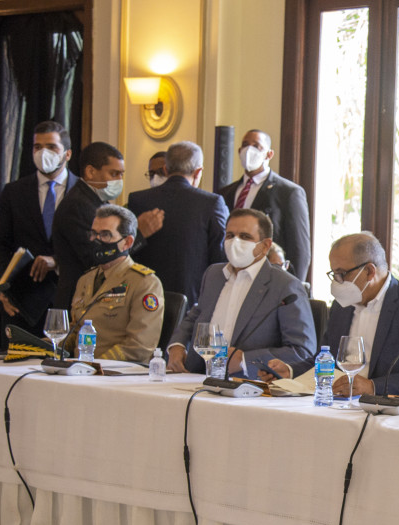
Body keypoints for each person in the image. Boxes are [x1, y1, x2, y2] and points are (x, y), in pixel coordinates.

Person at [268, 232, 399, 398]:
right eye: (334, 274)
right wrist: (291, 371)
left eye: (341, 274)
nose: (337, 282)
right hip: (339, 403)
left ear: (370, 271)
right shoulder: (342, 305)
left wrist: (373, 387)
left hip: (388, 410)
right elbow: (326, 358)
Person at [167, 208, 316, 377]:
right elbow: (196, 315)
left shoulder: (285, 286)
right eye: (230, 235)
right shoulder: (213, 274)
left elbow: (302, 351)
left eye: (245, 237)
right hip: (197, 375)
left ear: (265, 246)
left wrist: (245, 360)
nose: (235, 242)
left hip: (248, 383)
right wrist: (177, 344)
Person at [0, 121, 77, 334]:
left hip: (69, 302)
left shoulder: (84, 193)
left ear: (67, 154)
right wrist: (2, 289)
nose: (43, 153)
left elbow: (91, 249)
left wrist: (57, 261)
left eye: (51, 147)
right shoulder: (13, 192)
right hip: (20, 302)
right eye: (37, 147)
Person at [126, 141, 228, 306]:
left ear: (166, 169)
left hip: (145, 297)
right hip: (192, 299)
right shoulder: (211, 203)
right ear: (198, 172)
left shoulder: (138, 200)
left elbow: (126, 251)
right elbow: (219, 256)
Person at [63, 205, 163, 363]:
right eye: (94, 234)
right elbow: (75, 332)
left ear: (127, 242)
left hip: (116, 372)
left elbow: (139, 346)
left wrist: (95, 366)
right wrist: (42, 347)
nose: (96, 240)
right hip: (80, 370)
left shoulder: (145, 283)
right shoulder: (86, 279)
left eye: (105, 235)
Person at [216, 130, 310, 282]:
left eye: (256, 146)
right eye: (245, 145)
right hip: (231, 277)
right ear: (239, 151)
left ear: (269, 154)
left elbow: (300, 249)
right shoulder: (225, 193)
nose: (249, 150)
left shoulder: (288, 192)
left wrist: (294, 287)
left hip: (268, 278)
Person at [50, 141, 125, 310]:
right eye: (114, 173)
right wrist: (139, 235)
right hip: (77, 301)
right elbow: (97, 256)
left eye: (121, 174)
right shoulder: (78, 204)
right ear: (91, 172)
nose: (119, 180)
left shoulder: (97, 201)